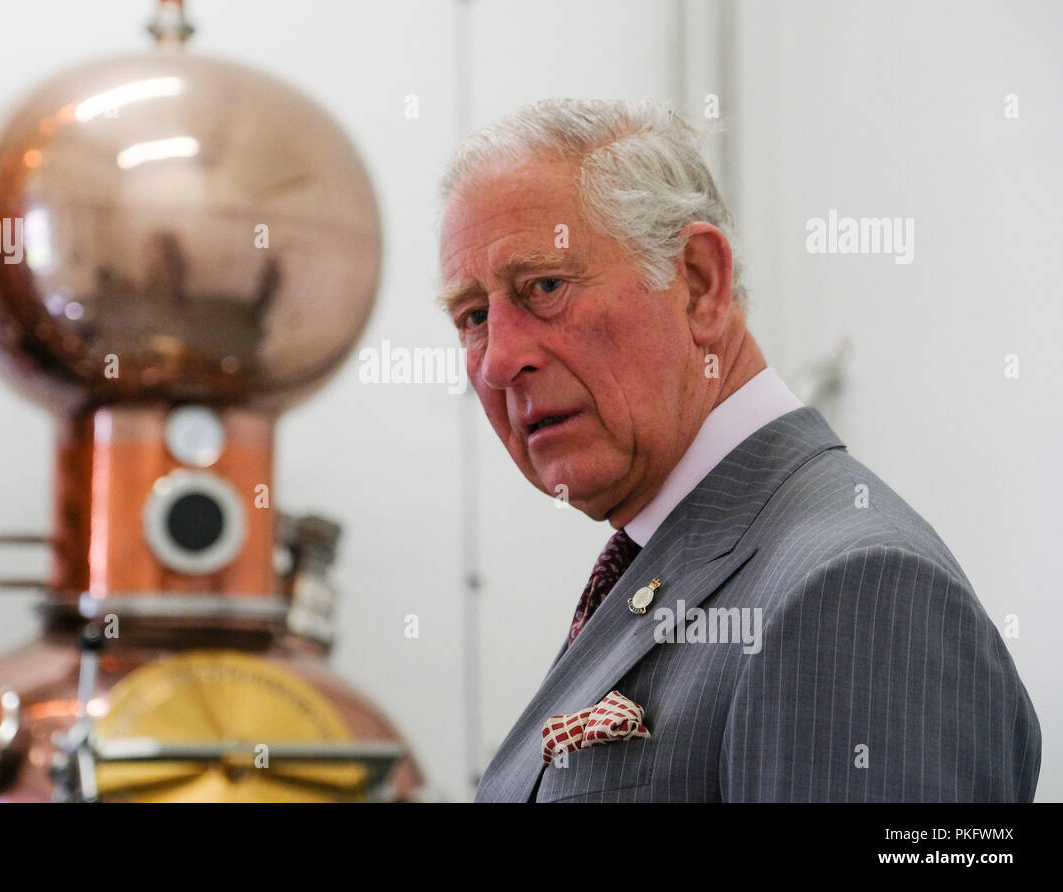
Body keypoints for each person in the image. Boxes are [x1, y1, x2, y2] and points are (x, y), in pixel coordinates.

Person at [437, 98, 1040, 802]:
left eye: (544, 286)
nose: (501, 360)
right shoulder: (680, 559)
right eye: (474, 316)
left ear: (699, 284)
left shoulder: (856, 593)